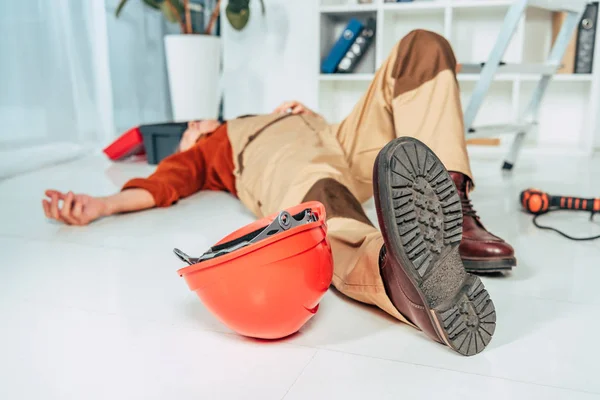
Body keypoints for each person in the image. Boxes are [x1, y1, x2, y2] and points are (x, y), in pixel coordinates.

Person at [42, 30, 514, 355]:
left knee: (422, 48)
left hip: (336, 137)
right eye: (187, 129)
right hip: (293, 165)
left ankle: (456, 208)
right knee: (321, 192)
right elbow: (161, 186)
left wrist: (300, 115)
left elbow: (330, 136)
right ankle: (397, 277)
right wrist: (103, 204)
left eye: (194, 123)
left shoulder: (274, 112)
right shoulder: (212, 148)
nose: (192, 125)